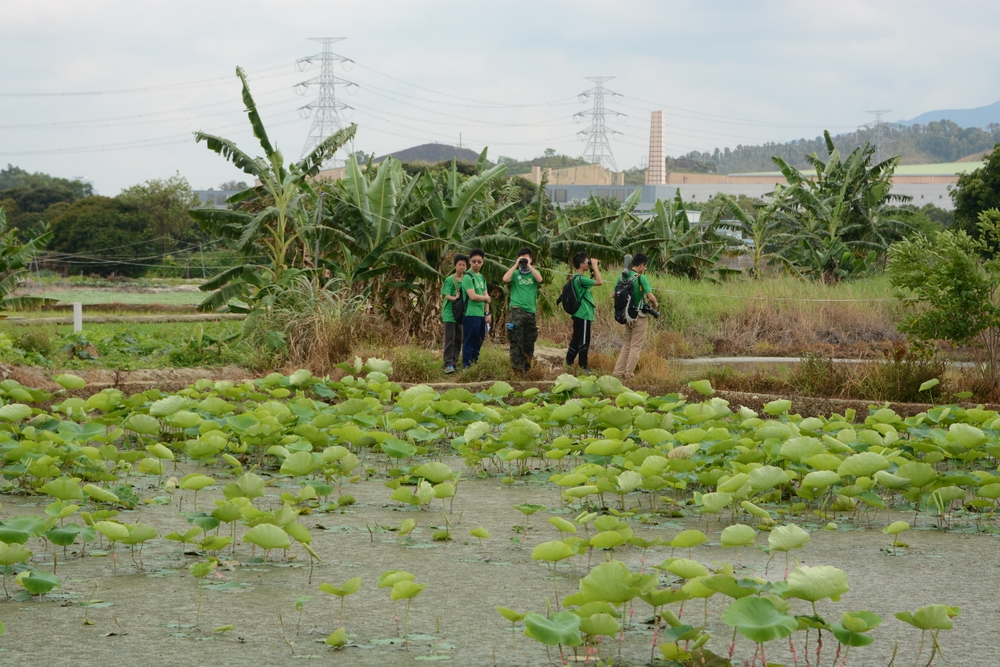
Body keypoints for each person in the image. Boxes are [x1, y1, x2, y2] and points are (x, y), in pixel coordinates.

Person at [613, 252, 659, 380]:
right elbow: (650, 297)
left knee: (626, 345)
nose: (645, 269)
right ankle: (628, 374)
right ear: (641, 265)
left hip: (627, 316)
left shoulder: (622, 277)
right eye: (645, 266)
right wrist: (655, 304)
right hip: (639, 316)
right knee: (635, 346)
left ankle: (617, 372)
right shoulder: (640, 278)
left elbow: (613, 294)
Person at [502, 246, 543, 374]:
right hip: (517, 310)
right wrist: (516, 264)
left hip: (530, 312)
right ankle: (516, 369)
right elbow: (505, 279)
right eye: (522, 258)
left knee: (529, 342)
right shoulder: (515, 274)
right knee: (516, 340)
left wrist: (529, 265)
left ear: (531, 259)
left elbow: (540, 279)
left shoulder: (534, 273)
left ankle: (526, 368)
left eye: (526, 258)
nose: (524, 261)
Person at [565, 251, 602, 374]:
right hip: (584, 314)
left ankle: (569, 363)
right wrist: (595, 267)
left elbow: (591, 284)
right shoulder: (580, 278)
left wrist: (592, 270)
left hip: (579, 314)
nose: (589, 264)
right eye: (587, 262)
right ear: (581, 265)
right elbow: (599, 282)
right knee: (584, 340)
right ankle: (583, 366)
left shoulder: (577, 278)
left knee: (576, 340)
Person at [461, 248, 491, 367]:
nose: (476, 264)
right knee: (470, 340)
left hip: (481, 315)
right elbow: (473, 296)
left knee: (479, 340)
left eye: (479, 261)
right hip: (470, 314)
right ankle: (467, 365)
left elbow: (487, 297)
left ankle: (474, 363)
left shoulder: (482, 277)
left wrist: (487, 314)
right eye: (474, 261)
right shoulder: (467, 276)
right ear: (470, 261)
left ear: (482, 262)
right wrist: (485, 298)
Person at [441, 254, 469, 374]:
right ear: (455, 266)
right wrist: (456, 298)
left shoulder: (467, 279)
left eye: (464, 265)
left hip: (460, 314)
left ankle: (455, 362)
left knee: (458, 338)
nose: (462, 267)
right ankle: (448, 364)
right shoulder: (450, 280)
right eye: (459, 265)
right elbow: (447, 295)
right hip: (449, 313)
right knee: (450, 338)